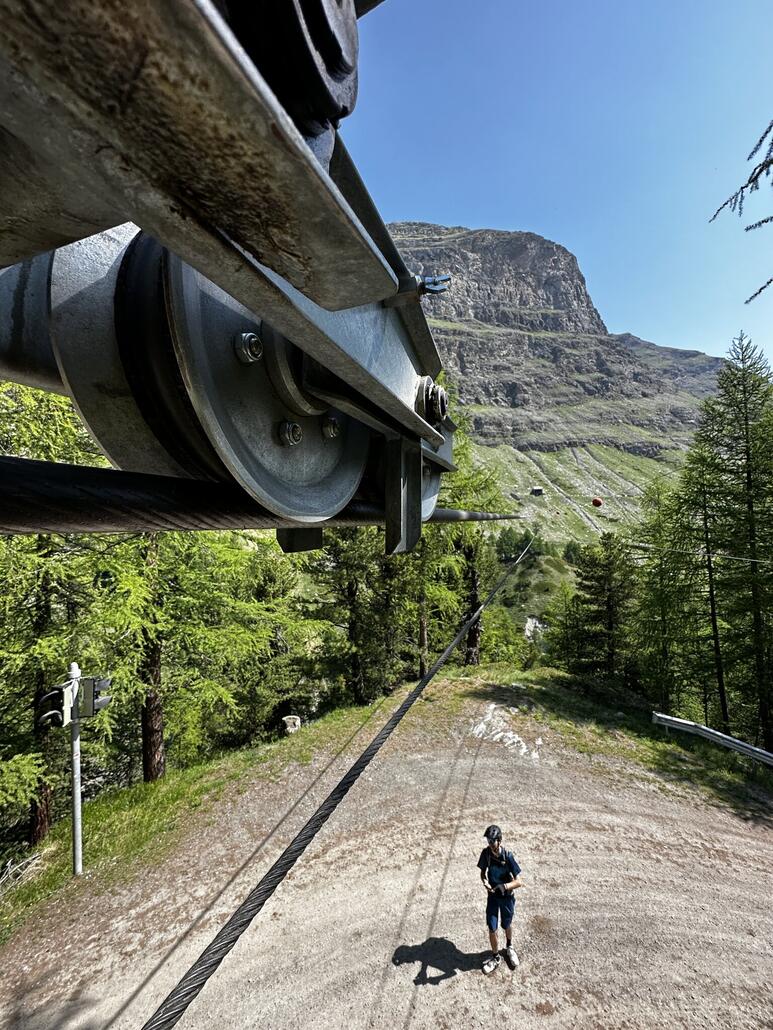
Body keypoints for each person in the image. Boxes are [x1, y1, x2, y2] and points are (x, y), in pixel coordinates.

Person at [477, 824, 522, 974]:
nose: (490, 844)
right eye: (488, 841)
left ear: (499, 840)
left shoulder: (508, 856)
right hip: (492, 897)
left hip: (507, 897)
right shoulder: (486, 854)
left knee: (507, 925)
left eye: (492, 841)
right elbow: (483, 873)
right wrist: (484, 881)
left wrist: (505, 886)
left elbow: (519, 881)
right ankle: (496, 957)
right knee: (492, 928)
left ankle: (509, 947)